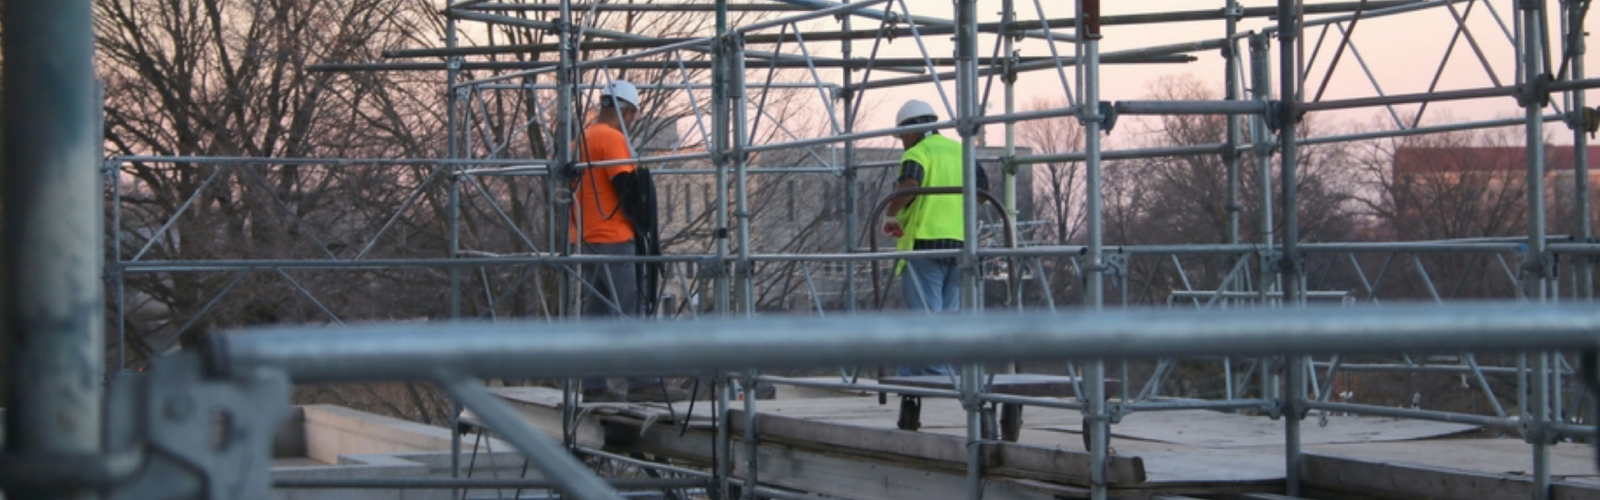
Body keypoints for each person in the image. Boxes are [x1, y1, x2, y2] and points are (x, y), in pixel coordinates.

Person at [572, 79, 688, 403]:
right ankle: (642, 382)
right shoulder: (612, 139)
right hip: (616, 237)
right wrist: (641, 220)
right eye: (633, 116)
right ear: (626, 111)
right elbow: (625, 186)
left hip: (588, 238)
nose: (633, 123)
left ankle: (593, 386)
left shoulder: (580, 139)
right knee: (632, 308)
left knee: (595, 313)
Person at [882, 99, 989, 377]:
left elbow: (909, 185)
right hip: (960, 246)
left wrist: (890, 213)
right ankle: (921, 373)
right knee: (946, 318)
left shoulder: (918, 153)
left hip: (925, 245)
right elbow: (982, 195)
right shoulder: (961, 150)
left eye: (902, 136)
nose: (903, 143)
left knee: (926, 317)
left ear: (912, 131)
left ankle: (934, 375)